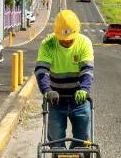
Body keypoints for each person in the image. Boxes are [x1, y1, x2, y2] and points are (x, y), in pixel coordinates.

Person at [34, 9, 94, 145]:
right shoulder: (48, 44)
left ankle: (77, 156)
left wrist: (84, 89)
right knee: (55, 138)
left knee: (83, 138)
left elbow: (87, 70)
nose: (67, 42)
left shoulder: (84, 43)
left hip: (79, 98)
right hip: (56, 99)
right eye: (63, 39)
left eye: (70, 39)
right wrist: (47, 91)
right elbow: (41, 71)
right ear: (56, 33)